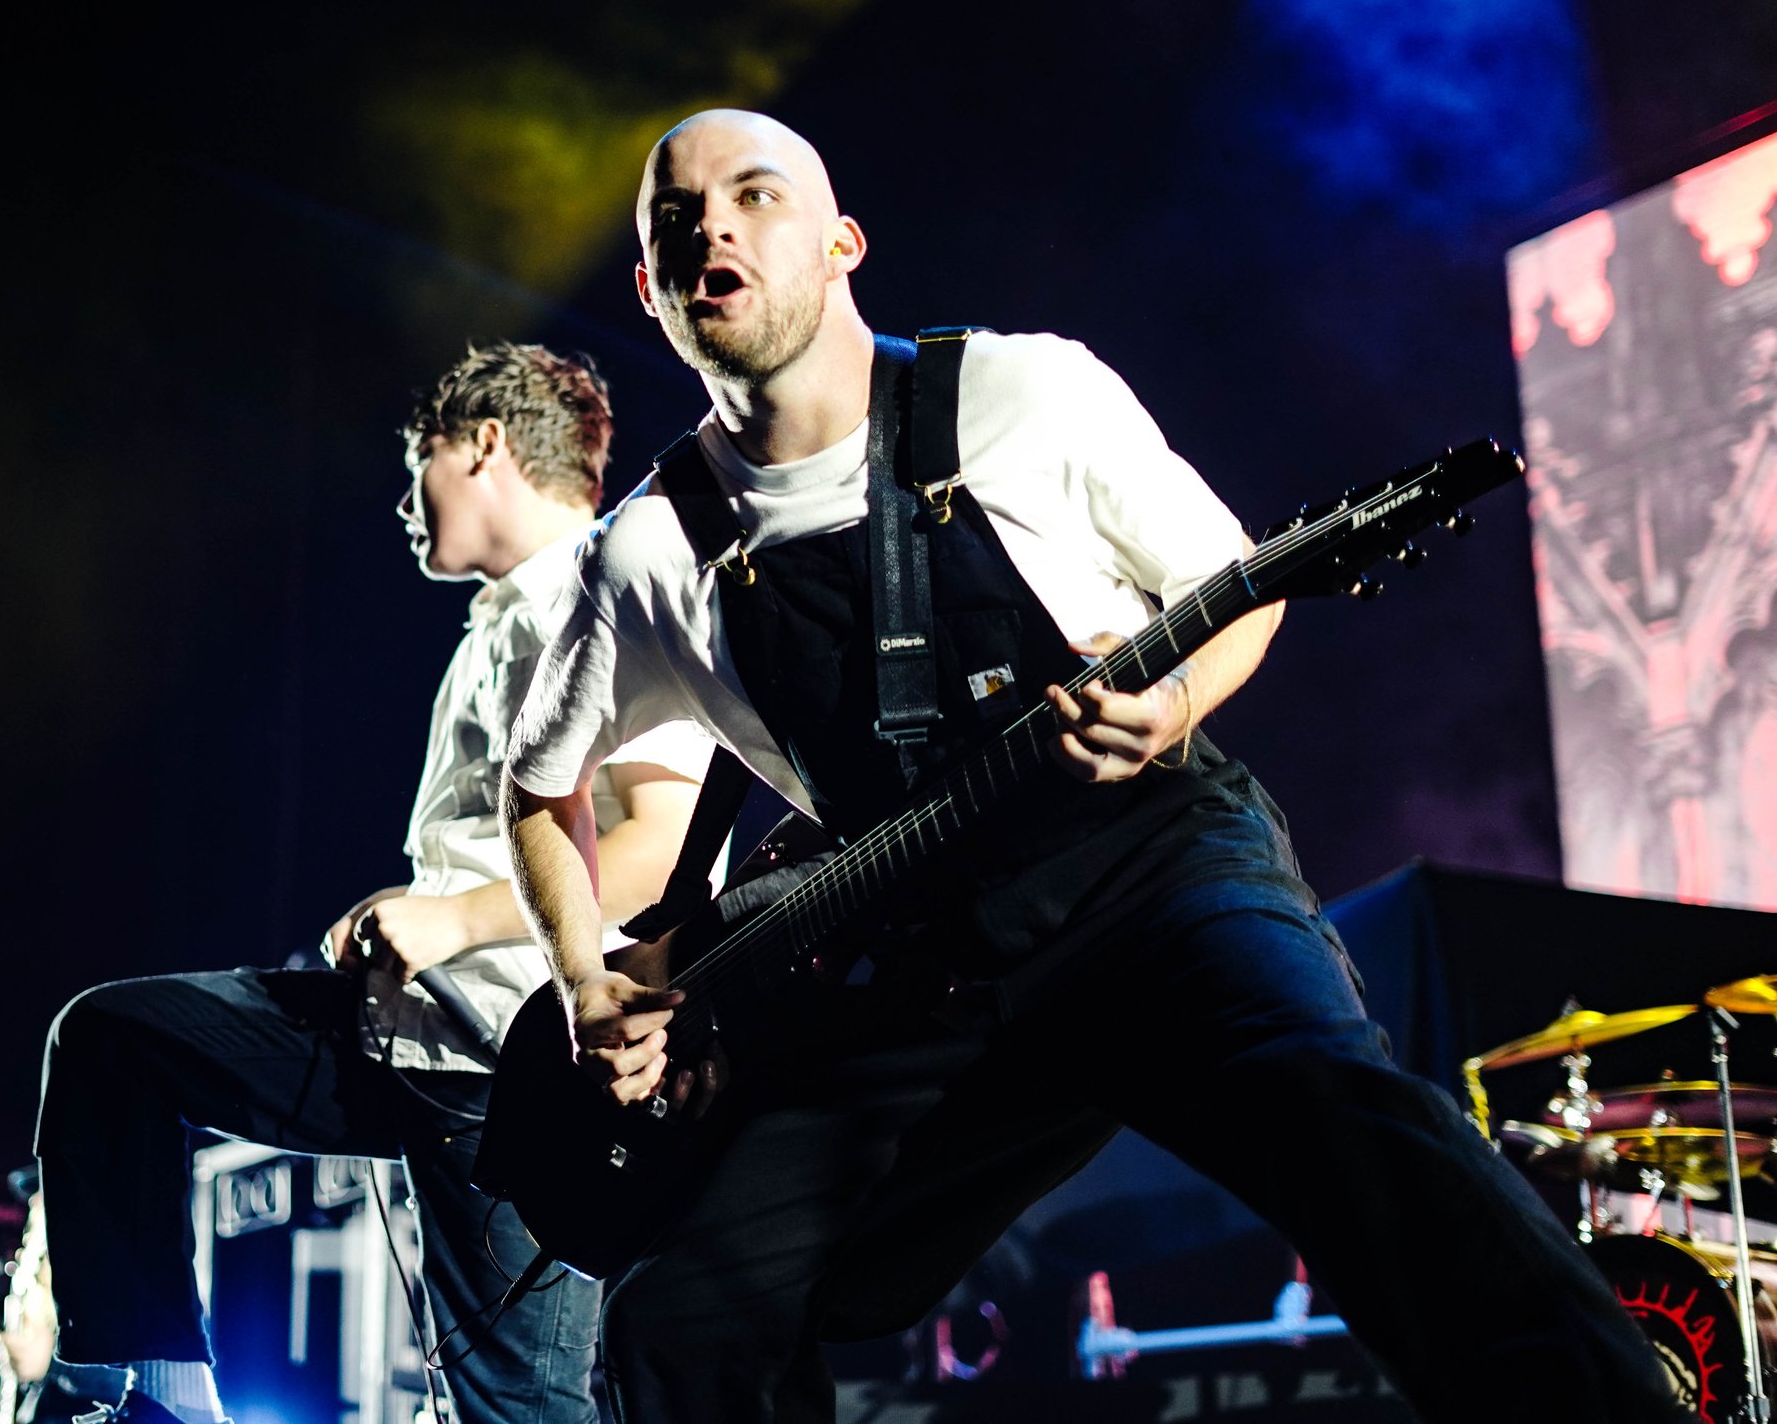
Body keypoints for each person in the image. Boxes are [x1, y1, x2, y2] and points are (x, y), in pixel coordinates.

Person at [500, 110, 1690, 1424]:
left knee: (1348, 1117)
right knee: (683, 1317)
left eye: (756, 193)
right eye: (679, 217)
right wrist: (582, 974)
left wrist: (1168, 697)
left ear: (841, 243)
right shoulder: (648, 551)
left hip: (1154, 880)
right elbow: (535, 786)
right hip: (928, 972)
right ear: (650, 291)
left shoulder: (1023, 391)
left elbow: (1231, 587)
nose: (714, 224)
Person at [36, 342, 714, 1424]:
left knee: (514, 1409)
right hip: (405, 1038)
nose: (404, 501)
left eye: (419, 461)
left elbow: (663, 847)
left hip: (520, 1078)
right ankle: (155, 1394)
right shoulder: (498, 622)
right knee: (114, 1038)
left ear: (486, 444)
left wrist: (452, 916)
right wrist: (408, 911)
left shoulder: (607, 598)